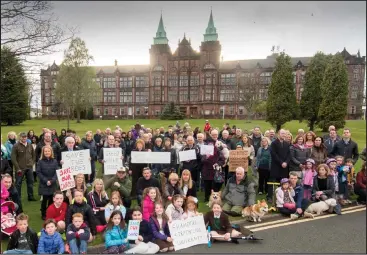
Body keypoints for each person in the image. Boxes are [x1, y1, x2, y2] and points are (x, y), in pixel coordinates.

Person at [11, 132, 36, 201]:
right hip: (20, 169)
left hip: (29, 168)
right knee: (18, 184)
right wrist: (17, 168)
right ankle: (18, 198)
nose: (24, 138)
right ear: (20, 137)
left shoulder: (30, 145)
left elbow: (34, 155)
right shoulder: (16, 146)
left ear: (26, 137)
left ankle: (30, 197)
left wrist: (32, 163)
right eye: (22, 137)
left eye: (25, 137)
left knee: (30, 183)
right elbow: (13, 158)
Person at [267, 129, 290, 204]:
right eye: (282, 133)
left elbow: (289, 155)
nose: (283, 135)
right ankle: (270, 197)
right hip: (276, 166)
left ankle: (282, 196)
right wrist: (281, 162)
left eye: (284, 134)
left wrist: (286, 162)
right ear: (278, 134)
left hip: (284, 167)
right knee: (272, 182)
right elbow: (274, 154)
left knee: (283, 182)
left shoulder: (287, 143)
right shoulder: (274, 143)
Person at [36, 145, 59, 220]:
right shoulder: (40, 161)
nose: (47, 152)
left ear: (51, 152)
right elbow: (38, 172)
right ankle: (43, 213)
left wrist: (52, 180)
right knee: (44, 200)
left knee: (52, 199)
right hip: (44, 183)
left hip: (53, 183)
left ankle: (49, 212)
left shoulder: (55, 161)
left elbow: (57, 172)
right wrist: (46, 181)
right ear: (43, 152)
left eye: (48, 151)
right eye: (45, 151)